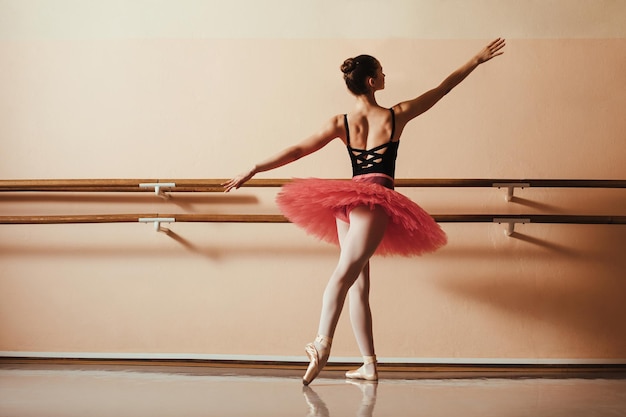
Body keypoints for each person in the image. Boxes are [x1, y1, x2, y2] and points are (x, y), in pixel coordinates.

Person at [223, 38, 506, 385]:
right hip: (374, 201)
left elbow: (297, 150)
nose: (385, 75)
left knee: (357, 283)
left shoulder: (341, 122)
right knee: (348, 275)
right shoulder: (395, 115)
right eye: (381, 72)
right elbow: (442, 89)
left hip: (347, 202)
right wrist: (475, 60)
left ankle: (368, 364)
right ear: (372, 82)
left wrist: (255, 167)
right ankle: (322, 344)